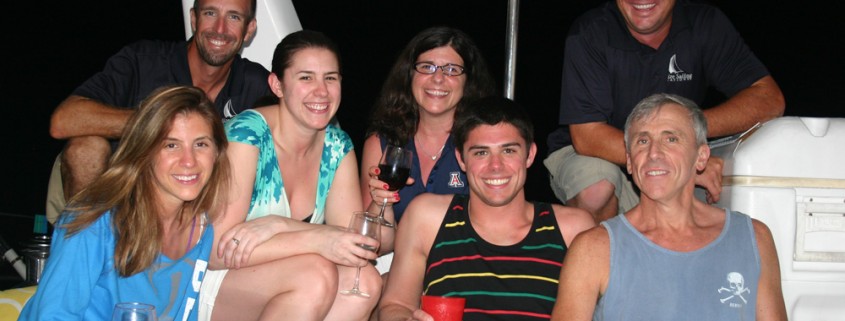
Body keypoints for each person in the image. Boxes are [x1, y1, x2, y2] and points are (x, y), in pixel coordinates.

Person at [197, 30, 386, 321]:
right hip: (212, 281)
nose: (321, 91)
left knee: (364, 281)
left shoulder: (337, 146)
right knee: (315, 275)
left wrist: (278, 224)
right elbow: (215, 253)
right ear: (278, 85)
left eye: (331, 78)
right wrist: (316, 240)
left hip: (291, 283)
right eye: (306, 77)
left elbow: (347, 243)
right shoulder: (247, 135)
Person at [543, 0, 785, 223]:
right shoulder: (590, 32)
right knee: (596, 190)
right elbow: (587, 137)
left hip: (673, 152)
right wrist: (669, 154)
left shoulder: (704, 24)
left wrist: (684, 137)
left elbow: (769, 100)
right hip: (593, 151)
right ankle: (596, 265)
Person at [550, 93, 786, 321]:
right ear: (630, 162)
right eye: (642, 141)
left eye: (671, 139)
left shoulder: (753, 238)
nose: (653, 153)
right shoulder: (594, 250)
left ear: (701, 157)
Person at [46, 0, 271, 224]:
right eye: (210, 13)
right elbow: (63, 120)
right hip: (122, 204)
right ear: (194, 19)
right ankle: (90, 246)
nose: (220, 29)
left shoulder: (255, 84)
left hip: (202, 208)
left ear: (249, 29)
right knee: (85, 148)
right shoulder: (143, 61)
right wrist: (159, 123)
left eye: (234, 17)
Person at [20, 85, 231, 320]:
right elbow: (53, 315)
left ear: (217, 153)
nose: (188, 161)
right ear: (145, 150)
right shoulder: (94, 220)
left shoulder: (202, 229)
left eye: (201, 144)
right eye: (171, 145)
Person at [378, 96, 596, 321]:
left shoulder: (572, 229)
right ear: (461, 159)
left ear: (529, 155)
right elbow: (396, 304)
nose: (495, 166)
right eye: (481, 152)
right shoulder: (427, 218)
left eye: (508, 151)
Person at [360, 26, 496, 229]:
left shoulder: (483, 142)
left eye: (451, 69)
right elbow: (374, 241)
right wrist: (381, 203)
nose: (438, 78)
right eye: (427, 67)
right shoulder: (381, 143)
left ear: (468, 81)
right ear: (409, 74)